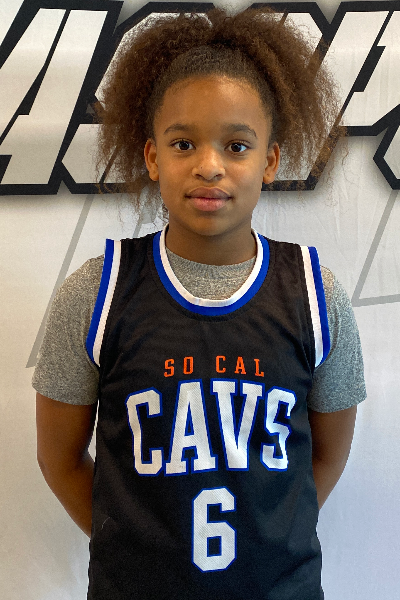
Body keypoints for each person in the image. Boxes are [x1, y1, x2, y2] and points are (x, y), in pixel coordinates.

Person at [34, 7, 366, 600]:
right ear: (152, 157)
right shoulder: (96, 294)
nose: (209, 166)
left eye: (236, 146)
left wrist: (263, 544)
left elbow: (326, 458)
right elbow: (59, 459)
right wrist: (135, 549)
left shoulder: (317, 296)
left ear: (269, 161)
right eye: (183, 143)